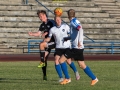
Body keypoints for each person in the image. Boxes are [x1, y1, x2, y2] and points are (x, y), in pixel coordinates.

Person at [58, 9, 98, 85]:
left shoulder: (73, 22)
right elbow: (75, 34)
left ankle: (67, 78)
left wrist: (79, 41)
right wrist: (68, 38)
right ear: (74, 14)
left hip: (76, 48)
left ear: (68, 15)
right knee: (82, 65)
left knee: (61, 60)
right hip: (79, 48)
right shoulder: (75, 21)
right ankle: (94, 78)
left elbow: (80, 29)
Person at [44, 16, 80, 82]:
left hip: (66, 47)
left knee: (69, 61)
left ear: (61, 20)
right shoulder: (52, 29)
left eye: (58, 19)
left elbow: (71, 35)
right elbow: (49, 38)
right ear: (55, 21)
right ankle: (61, 77)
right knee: (56, 60)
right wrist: (45, 40)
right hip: (58, 47)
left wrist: (72, 40)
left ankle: (76, 71)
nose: (58, 21)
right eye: (56, 20)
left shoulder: (66, 27)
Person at [28, 10, 56, 81]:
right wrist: (32, 34)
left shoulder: (51, 22)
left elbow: (55, 29)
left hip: (54, 41)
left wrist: (47, 33)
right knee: (44, 58)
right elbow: (38, 33)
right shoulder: (42, 25)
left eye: (40, 16)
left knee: (41, 44)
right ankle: (44, 75)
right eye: (39, 17)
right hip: (47, 42)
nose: (40, 18)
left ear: (44, 15)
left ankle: (42, 62)